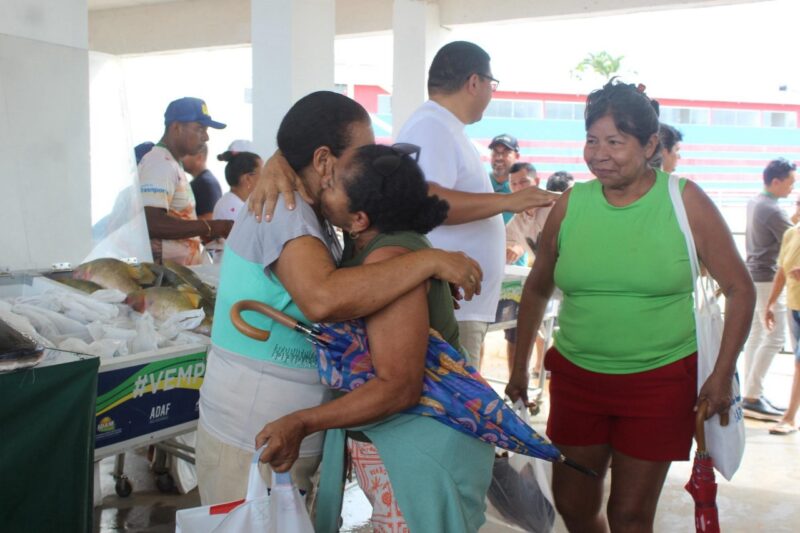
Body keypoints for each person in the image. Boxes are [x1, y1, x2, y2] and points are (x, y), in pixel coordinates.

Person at [196, 91, 484, 508]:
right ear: (323, 160)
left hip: (281, 428)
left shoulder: (318, 209)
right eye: (360, 153)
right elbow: (322, 298)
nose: (369, 161)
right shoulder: (285, 207)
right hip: (254, 428)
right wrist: (428, 262)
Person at [505, 79, 754, 533]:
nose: (599, 154)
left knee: (630, 515)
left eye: (615, 142)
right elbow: (538, 288)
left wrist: (721, 374)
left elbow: (740, 288)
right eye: (592, 140)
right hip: (577, 378)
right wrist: (520, 365)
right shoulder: (571, 204)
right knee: (573, 504)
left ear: (650, 145)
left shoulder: (685, 200)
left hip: (659, 382)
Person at [256, 143, 494, 532]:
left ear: (359, 219)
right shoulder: (378, 243)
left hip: (418, 448)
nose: (321, 184)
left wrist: (302, 422)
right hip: (410, 442)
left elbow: (398, 388)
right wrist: (276, 164)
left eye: (331, 185)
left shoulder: (389, 260)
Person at [394, 41, 558, 370]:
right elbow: (426, 199)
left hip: (458, 302)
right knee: (452, 398)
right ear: (474, 82)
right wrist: (508, 201)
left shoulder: (442, 126)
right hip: (450, 303)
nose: (490, 93)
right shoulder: (432, 126)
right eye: (491, 84)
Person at [138, 97, 233, 265]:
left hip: (181, 273)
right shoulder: (160, 162)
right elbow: (152, 222)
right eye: (200, 129)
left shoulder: (172, 163)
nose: (206, 137)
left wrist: (204, 232)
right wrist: (211, 227)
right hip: (166, 277)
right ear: (176, 127)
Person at [742, 158, 796, 419]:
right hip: (767, 277)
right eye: (790, 183)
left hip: (753, 274)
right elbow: (794, 239)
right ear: (776, 181)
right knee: (775, 337)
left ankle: (751, 392)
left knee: (757, 334)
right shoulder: (774, 210)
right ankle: (753, 395)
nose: (792, 188)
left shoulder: (756, 202)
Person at [765, 223, 800, 435]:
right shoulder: (790, 233)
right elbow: (781, 272)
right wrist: (770, 303)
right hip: (794, 308)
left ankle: (789, 417)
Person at [212, 150, 263, 221]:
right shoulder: (235, 208)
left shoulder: (233, 203)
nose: (267, 178)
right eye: (263, 173)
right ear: (248, 178)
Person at [183, 145, 222, 220]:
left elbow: (209, 218)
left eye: (186, 154)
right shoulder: (202, 182)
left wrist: (178, 219)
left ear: (199, 157)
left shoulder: (206, 184)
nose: (181, 158)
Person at [489, 134, 522, 223]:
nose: (499, 157)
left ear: (517, 156)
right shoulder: (480, 183)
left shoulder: (523, 188)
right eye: (495, 152)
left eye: (505, 153)